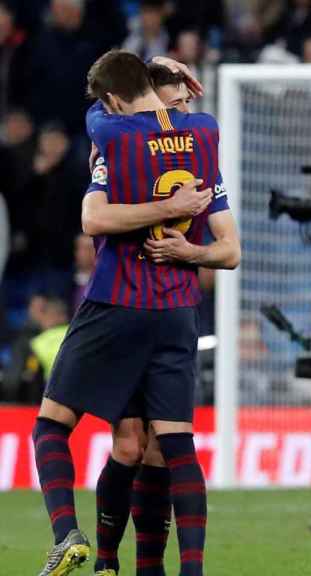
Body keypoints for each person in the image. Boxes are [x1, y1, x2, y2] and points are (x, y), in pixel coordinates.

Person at [33, 49, 238, 576]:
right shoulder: (205, 133)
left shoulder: (111, 133)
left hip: (118, 301)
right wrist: (184, 232)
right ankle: (164, 568)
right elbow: (230, 250)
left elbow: (92, 218)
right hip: (176, 308)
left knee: (54, 425)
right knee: (165, 443)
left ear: (111, 97)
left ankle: (73, 539)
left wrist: (149, 71)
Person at [89, 58, 211, 576]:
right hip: (124, 303)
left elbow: (229, 250)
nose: (182, 115)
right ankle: (105, 560)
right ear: (147, 103)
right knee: (129, 443)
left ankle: (150, 569)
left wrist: (192, 253)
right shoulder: (112, 148)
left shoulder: (201, 154)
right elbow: (92, 218)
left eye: (186, 106)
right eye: (173, 105)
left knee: (164, 448)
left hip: (174, 309)